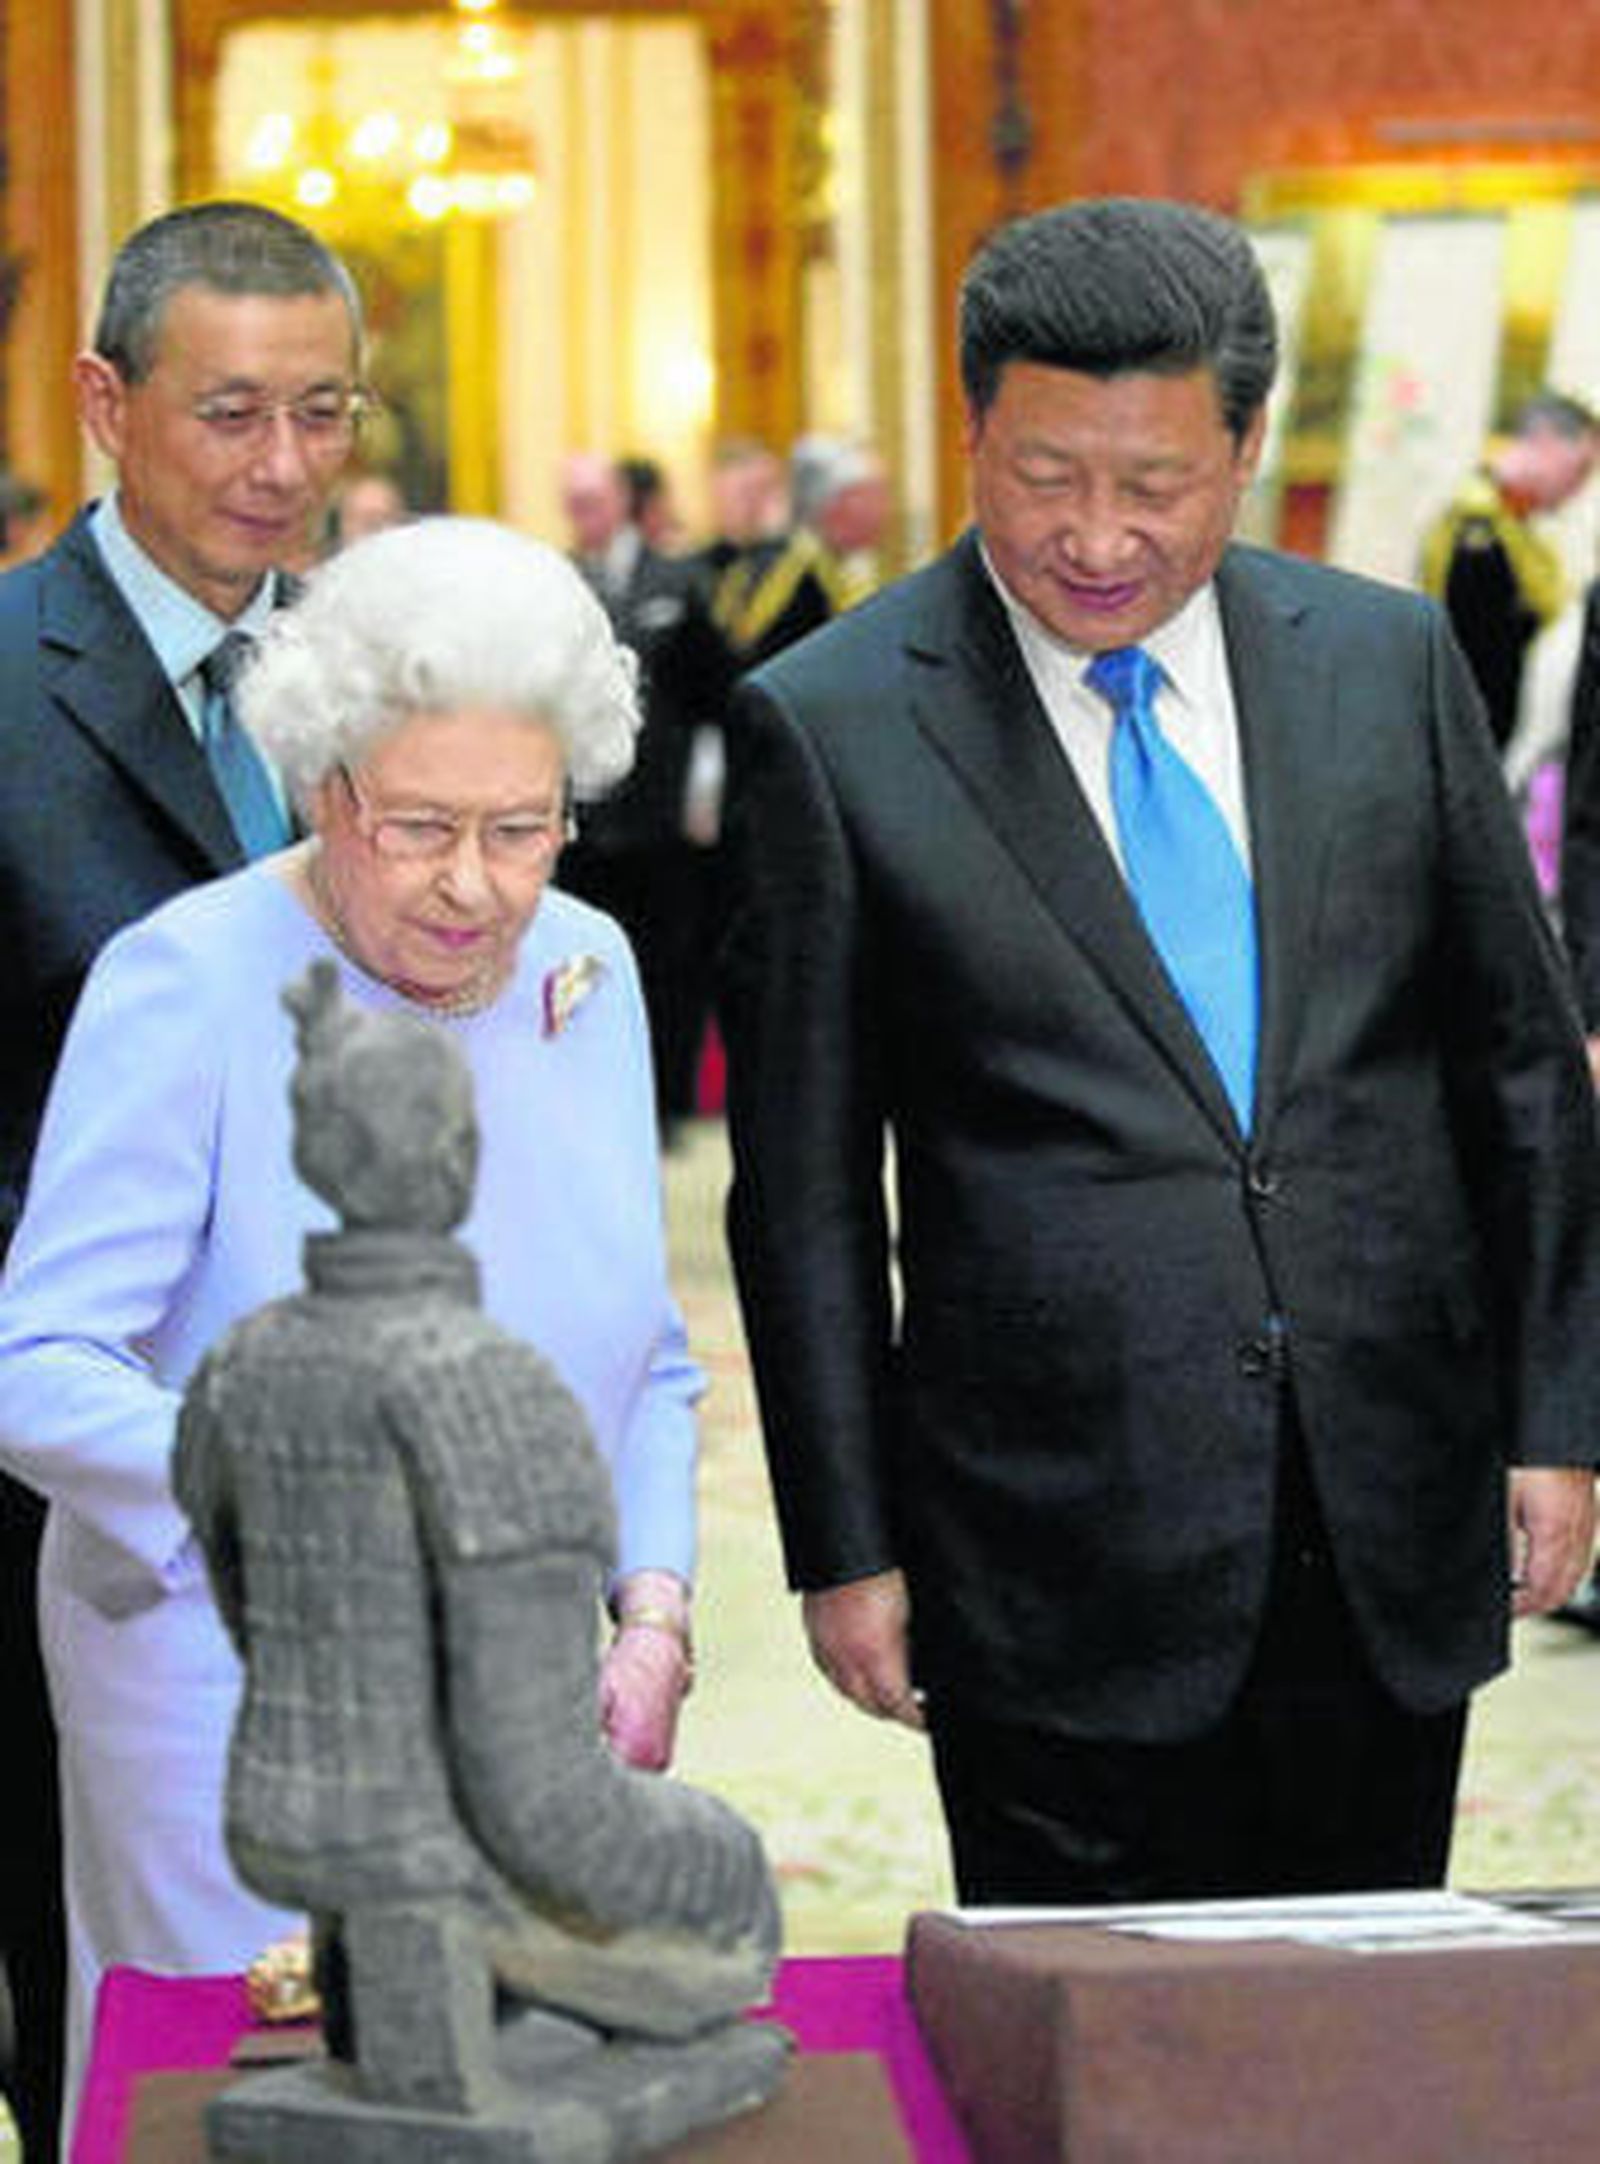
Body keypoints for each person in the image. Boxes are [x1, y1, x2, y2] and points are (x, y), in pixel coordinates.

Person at [718, 196, 1600, 1911]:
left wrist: (1558, 1415)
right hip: (1046, 1539)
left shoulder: (1385, 659)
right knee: (1092, 2056)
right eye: (1047, 476)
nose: (1099, 537)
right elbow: (807, 1192)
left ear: (1248, 445)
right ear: (973, 426)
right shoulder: (830, 725)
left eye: (1158, 484)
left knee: (1363, 2027)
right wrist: (847, 1539)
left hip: (1387, 1504)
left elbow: (1516, 1068)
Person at [0, 516, 702, 2144]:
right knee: (251, 2099)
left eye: (524, 828)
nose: (476, 883)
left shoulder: (587, 965)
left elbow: (645, 1345)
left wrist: (653, 1608)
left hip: (517, 1687)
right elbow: (33, 1361)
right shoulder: (189, 977)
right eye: (422, 826)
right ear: (327, 788)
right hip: (230, 1682)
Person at [174, 964, 783, 2148]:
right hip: (444, 1842)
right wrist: (713, 1868)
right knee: (725, 1889)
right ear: (459, 1159)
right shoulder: (486, 1387)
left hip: (277, 1804)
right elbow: (532, 1781)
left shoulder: (239, 1364)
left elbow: (248, 1609)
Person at [0, 198, 364, 2164]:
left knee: (331, 2000)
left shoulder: (373, 696)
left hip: (352, 1502)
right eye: (232, 414)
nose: (283, 466)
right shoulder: (3, 682)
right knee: (80, 2000)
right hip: (48, 1481)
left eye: (323, 412)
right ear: (106, 402)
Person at [557, 452, 702, 1139]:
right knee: (582, 960)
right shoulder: (556, 582)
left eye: (593, 500)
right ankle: (596, 1099)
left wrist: (707, 783)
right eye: (572, 502)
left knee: (665, 961)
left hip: (660, 813)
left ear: (620, 500)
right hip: (584, 820)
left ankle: (667, 1101)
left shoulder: (678, 577)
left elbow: (715, 689)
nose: (584, 514)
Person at [1418, 389, 1600, 751]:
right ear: (1545, 443)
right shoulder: (1479, 532)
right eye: (1580, 469)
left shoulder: (1516, 527)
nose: (1581, 488)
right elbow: (1477, 669)